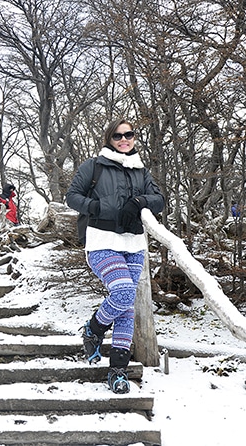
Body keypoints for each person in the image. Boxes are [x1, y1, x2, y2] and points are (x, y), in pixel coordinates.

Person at [65, 119, 164, 394]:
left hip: (133, 243)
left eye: (129, 134)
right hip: (101, 240)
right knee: (121, 293)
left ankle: (117, 370)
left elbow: (159, 200)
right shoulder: (94, 165)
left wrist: (139, 201)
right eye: (118, 135)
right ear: (110, 138)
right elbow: (71, 196)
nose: (124, 139)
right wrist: (96, 207)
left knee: (127, 307)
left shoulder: (140, 170)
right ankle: (93, 329)